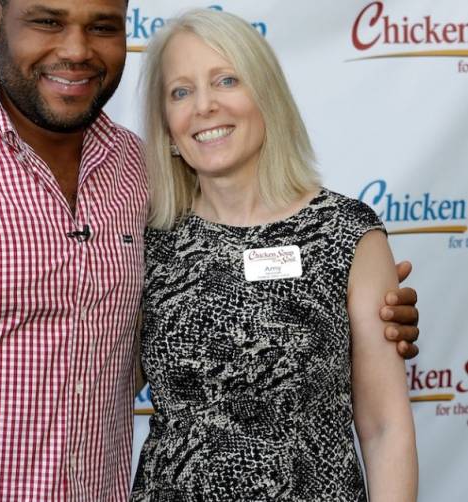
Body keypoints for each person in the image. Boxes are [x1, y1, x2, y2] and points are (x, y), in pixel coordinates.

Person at [0, 1, 419, 501]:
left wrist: (361, 316)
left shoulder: (136, 176)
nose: (75, 50)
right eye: (46, 21)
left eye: (102, 26)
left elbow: (209, 310)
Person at [131, 9, 417, 501]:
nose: (204, 106)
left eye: (226, 80)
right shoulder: (147, 240)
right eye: (181, 91)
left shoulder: (346, 233)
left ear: (267, 96)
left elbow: (385, 427)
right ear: (166, 124)